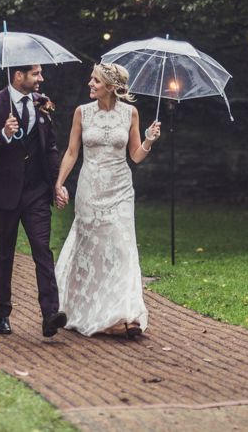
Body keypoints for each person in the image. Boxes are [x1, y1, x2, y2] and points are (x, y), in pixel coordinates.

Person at [54, 62, 160, 338]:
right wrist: (59, 182)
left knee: (121, 249)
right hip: (90, 189)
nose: (90, 84)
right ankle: (86, 309)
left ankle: (125, 314)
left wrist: (148, 140)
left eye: (96, 81)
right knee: (91, 249)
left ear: (111, 87)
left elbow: (135, 155)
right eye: (91, 79)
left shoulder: (130, 113)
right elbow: (71, 152)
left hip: (120, 190)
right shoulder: (82, 113)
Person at [0, 64, 68, 338]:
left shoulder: (42, 104)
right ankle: (1, 314)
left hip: (36, 192)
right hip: (4, 195)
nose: (42, 78)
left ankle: (50, 314)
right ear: (19, 76)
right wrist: (3, 135)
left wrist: (56, 185)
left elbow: (50, 148)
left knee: (42, 250)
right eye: (36, 73)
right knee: (4, 255)